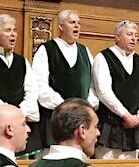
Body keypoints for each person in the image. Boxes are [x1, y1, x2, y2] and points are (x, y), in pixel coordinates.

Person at [92, 21, 139, 167]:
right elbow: (103, 91)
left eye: (135, 35)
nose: (134, 38)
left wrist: (138, 116)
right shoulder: (103, 57)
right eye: (129, 34)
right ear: (117, 37)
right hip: (111, 122)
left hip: (134, 124)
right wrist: (125, 115)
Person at [32, 9, 99, 149]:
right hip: (54, 119)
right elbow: (39, 85)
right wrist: (65, 107)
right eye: (72, 22)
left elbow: (93, 86)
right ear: (61, 26)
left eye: (78, 23)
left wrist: (86, 106)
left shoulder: (84, 51)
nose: (77, 26)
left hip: (81, 122)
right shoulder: (46, 50)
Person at [0, 14, 40, 152]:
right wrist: (7, 112)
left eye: (14, 30)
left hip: (22, 119)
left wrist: (21, 111)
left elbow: (31, 90)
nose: (13, 34)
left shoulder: (22, 61)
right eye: (7, 30)